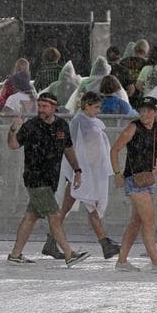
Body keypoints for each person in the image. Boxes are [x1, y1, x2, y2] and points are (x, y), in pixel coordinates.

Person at [6, 92, 89, 266]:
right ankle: (69, 254)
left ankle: (15, 254)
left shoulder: (61, 125)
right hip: (36, 179)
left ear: (54, 108)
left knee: (31, 217)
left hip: (50, 180)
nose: (41, 109)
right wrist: (13, 129)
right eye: (40, 106)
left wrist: (78, 170)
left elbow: (68, 149)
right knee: (54, 216)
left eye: (45, 106)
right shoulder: (31, 126)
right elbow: (13, 145)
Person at [43, 91, 118, 260]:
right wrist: (80, 169)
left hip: (86, 172)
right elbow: (76, 146)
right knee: (80, 207)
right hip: (81, 173)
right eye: (96, 107)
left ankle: (51, 242)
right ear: (86, 105)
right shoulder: (80, 122)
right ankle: (104, 244)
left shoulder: (89, 121)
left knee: (74, 208)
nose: (98, 110)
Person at [109, 96, 157, 272]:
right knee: (148, 219)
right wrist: (117, 174)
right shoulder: (133, 127)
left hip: (147, 179)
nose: (144, 113)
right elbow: (114, 150)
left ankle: (122, 261)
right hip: (134, 179)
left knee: (136, 221)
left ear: (155, 112)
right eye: (142, 110)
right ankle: (156, 261)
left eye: (148, 110)